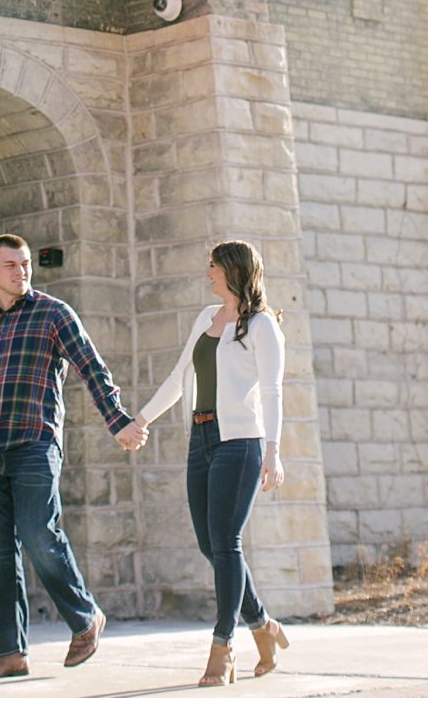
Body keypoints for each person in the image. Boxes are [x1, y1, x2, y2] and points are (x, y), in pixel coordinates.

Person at [0, 233, 144, 680]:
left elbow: (92, 367)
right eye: (11, 265)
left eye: (25, 265)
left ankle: (85, 619)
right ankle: (9, 653)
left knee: (40, 536)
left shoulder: (54, 313)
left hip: (34, 444)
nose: (21, 272)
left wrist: (118, 421)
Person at [128, 240, 289, 687]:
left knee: (226, 541)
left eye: (213, 266)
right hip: (200, 439)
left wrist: (273, 451)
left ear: (234, 270)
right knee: (209, 544)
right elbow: (179, 378)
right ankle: (265, 629)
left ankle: (224, 647)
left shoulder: (261, 326)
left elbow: (274, 392)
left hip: (240, 443)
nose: (207, 273)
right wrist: (139, 421)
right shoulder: (206, 318)